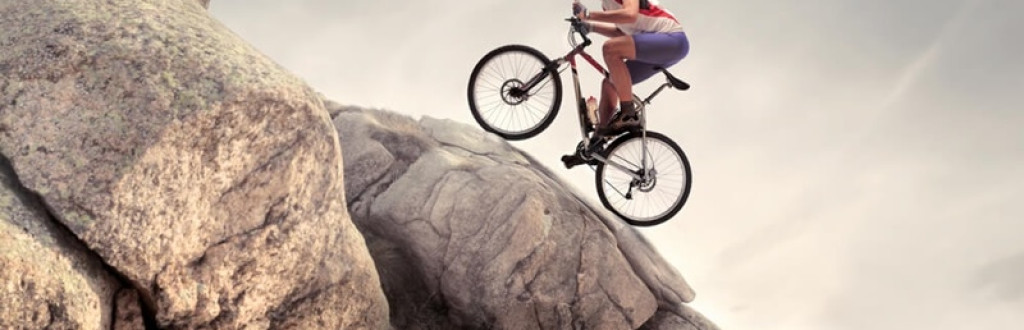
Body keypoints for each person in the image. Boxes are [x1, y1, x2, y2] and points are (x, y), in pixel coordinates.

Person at [562, 0, 689, 168]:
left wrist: (588, 15)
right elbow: (622, 33)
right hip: (658, 47)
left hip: (672, 40)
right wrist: (590, 26)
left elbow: (630, 15)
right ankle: (595, 145)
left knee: (610, 50)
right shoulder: (607, 5)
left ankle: (628, 114)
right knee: (610, 84)